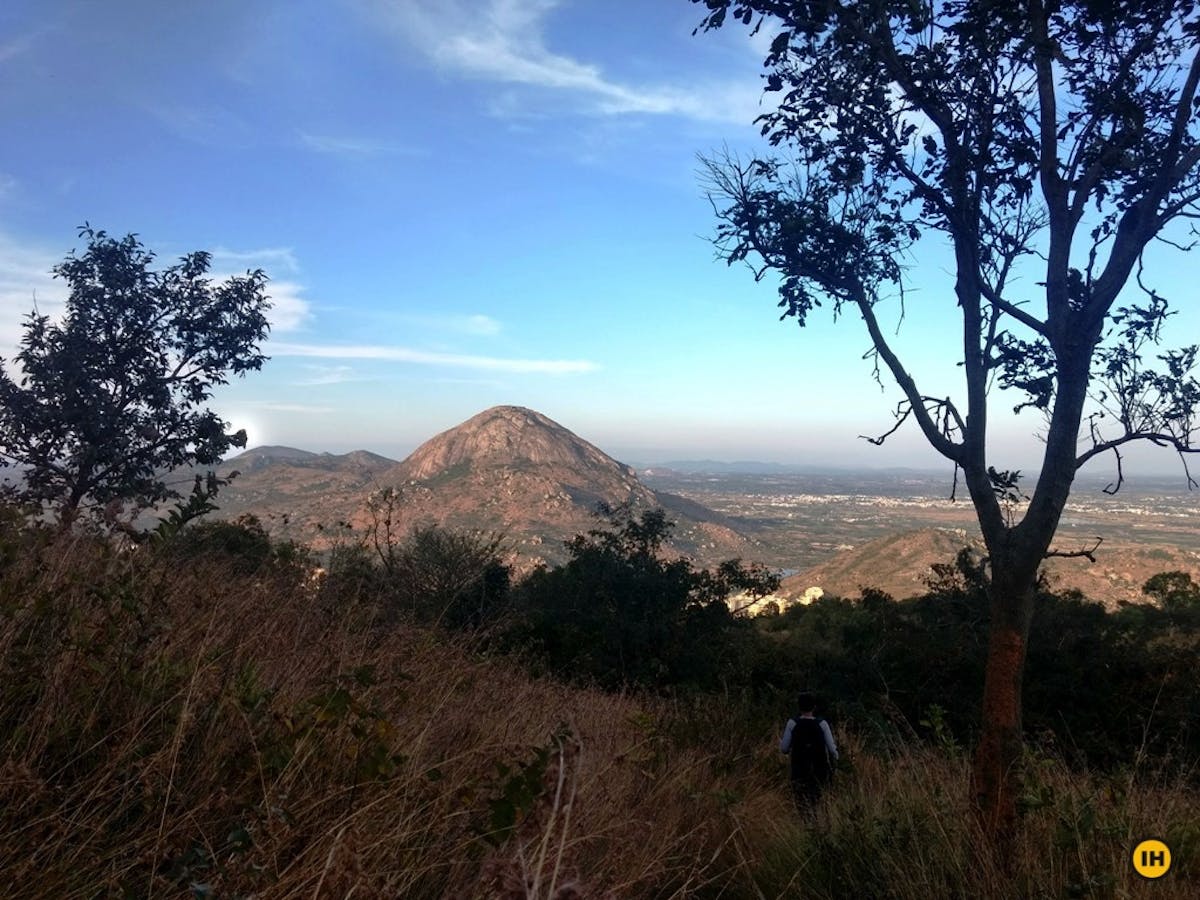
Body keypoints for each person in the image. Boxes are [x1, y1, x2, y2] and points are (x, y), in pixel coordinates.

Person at [779, 692, 838, 813]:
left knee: (800, 802)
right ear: (814, 707)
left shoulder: (792, 723)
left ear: (799, 706)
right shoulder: (822, 724)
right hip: (819, 770)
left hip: (799, 769)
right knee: (818, 801)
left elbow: (784, 748)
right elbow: (832, 750)